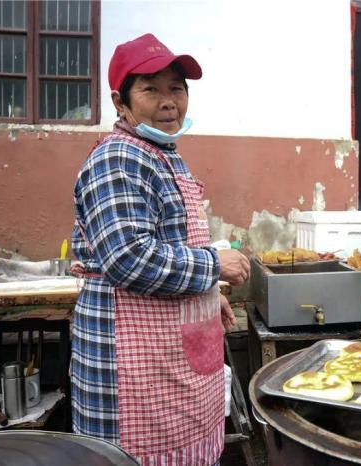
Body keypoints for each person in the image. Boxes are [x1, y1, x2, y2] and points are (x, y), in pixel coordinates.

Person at [70, 33, 250, 465]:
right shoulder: (118, 158)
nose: (168, 101)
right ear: (121, 101)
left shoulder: (163, 153)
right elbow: (128, 258)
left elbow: (170, 243)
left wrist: (208, 297)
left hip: (172, 357)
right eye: (151, 89)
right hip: (133, 368)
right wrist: (213, 266)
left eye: (177, 89)